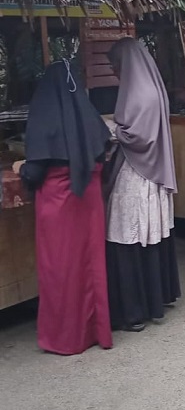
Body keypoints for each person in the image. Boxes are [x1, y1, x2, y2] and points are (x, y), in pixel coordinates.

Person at [14, 61, 113, 355]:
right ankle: (96, 331)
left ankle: (66, 338)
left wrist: (22, 167)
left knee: (60, 271)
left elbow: (35, 172)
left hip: (58, 204)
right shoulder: (87, 115)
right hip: (88, 202)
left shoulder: (44, 114)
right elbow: (100, 150)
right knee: (89, 266)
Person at [104, 37, 180, 332]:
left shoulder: (140, 94)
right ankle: (154, 301)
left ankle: (133, 310)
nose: (114, 72)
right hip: (151, 173)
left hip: (138, 174)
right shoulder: (151, 88)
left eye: (115, 65)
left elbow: (137, 137)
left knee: (126, 235)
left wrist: (108, 128)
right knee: (150, 237)